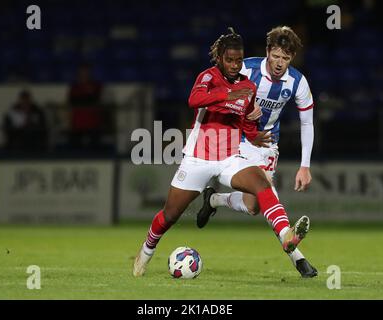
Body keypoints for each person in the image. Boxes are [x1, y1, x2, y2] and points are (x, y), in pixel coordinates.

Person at [133, 27, 311, 277]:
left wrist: (254, 134)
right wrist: (229, 93)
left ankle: (286, 236)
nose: (235, 65)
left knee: (262, 185)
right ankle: (145, 252)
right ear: (219, 58)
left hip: (229, 157)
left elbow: (246, 122)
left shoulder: (247, 86)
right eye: (230, 60)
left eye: (239, 60)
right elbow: (194, 100)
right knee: (170, 215)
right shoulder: (208, 77)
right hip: (198, 157)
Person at [196, 26, 317, 278]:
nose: (279, 63)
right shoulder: (246, 69)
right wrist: (237, 110)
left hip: (266, 145)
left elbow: (307, 122)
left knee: (253, 206)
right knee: (266, 191)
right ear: (267, 52)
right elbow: (213, 96)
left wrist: (304, 165)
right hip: (237, 140)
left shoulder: (297, 82)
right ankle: (296, 253)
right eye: (276, 56)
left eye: (285, 58)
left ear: (291, 58)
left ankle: (214, 199)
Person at [67, 63, 103, 150]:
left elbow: (94, 99)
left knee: (95, 149)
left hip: (92, 123)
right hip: (77, 124)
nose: (84, 74)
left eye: (86, 72)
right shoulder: (74, 86)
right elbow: (73, 101)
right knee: (75, 149)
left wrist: (86, 96)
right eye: (82, 72)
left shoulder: (96, 86)